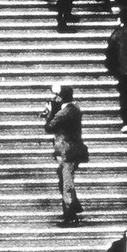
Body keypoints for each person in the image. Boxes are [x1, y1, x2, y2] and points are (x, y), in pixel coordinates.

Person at [44, 84, 88, 227]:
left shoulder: (65, 113)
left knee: (66, 183)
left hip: (68, 152)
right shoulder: (74, 108)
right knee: (64, 179)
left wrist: (50, 113)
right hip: (72, 150)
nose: (54, 98)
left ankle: (70, 216)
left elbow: (50, 127)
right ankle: (74, 205)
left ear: (61, 97)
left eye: (57, 96)